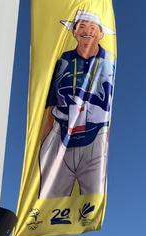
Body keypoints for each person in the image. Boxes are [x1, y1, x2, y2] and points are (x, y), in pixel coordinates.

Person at [39, 9, 116, 199]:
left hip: (95, 135)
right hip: (61, 134)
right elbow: (50, 104)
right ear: (74, 32)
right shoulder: (64, 60)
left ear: (101, 33)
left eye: (92, 27)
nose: (86, 31)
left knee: (93, 201)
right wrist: (44, 141)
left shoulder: (108, 61)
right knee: (49, 200)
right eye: (81, 26)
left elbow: (108, 106)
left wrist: (105, 141)